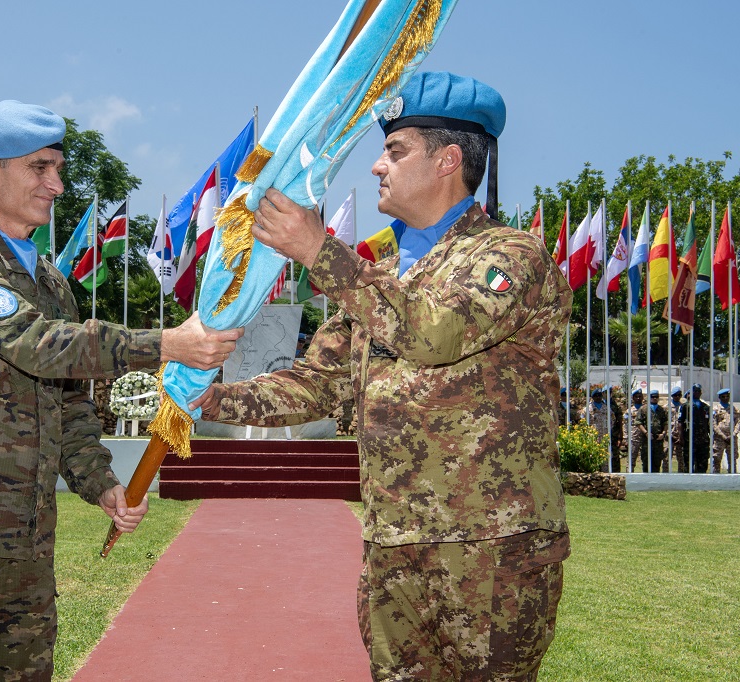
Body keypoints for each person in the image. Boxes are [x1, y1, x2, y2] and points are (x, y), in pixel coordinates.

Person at [192, 72, 571, 680]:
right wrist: (209, 400)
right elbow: (316, 383)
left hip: (490, 547)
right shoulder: (379, 275)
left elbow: (433, 332)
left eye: (395, 151)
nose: (376, 167)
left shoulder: (509, 256)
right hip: (395, 543)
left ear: (448, 159)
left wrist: (321, 253)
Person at [0, 99, 243, 681]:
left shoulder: (49, 281)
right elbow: (37, 343)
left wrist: (102, 486)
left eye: (58, 169)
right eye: (40, 168)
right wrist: (167, 343)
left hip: (24, 542)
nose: (57, 185)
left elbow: (67, 405)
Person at [682, 383, 711, 473]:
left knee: (702, 462)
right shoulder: (685, 406)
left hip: (703, 439)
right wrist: (681, 436)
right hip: (689, 438)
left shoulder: (705, 407)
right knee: (689, 461)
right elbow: (680, 422)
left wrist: (710, 436)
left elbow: (709, 423)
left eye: (699, 391)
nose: (697, 393)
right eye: (695, 391)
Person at [711, 388, 738, 474]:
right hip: (720, 438)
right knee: (716, 459)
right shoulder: (716, 409)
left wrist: (733, 434)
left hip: (731, 438)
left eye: (727, 396)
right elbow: (713, 424)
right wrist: (723, 436)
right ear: (720, 397)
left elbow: (738, 422)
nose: (726, 398)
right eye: (723, 396)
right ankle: (715, 478)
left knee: (732, 459)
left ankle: (732, 478)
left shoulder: (734, 409)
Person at [587, 388, 615, 470]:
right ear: (593, 397)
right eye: (596, 396)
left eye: (600, 395)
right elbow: (582, 422)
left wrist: (607, 429)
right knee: (592, 457)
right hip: (593, 438)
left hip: (604, 437)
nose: (598, 397)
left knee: (605, 458)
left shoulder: (607, 408)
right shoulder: (588, 409)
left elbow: (613, 419)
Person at [626, 388, 649, 472]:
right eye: (636, 396)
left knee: (646, 460)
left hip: (645, 438)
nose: (638, 398)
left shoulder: (647, 409)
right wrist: (626, 438)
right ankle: (629, 477)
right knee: (631, 460)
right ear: (633, 398)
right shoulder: (629, 411)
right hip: (633, 438)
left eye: (640, 396)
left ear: (642, 397)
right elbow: (625, 425)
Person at [647, 390, 668, 473]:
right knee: (647, 461)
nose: (654, 398)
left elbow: (666, 423)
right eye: (652, 397)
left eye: (656, 397)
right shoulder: (644, 409)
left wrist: (663, 433)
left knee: (657, 462)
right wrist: (646, 433)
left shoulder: (662, 410)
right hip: (647, 440)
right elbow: (639, 423)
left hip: (658, 440)